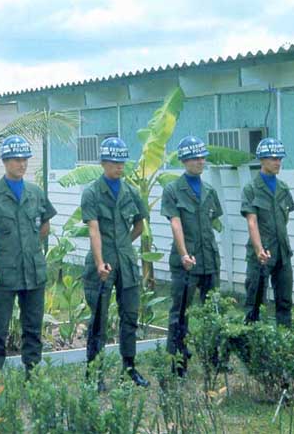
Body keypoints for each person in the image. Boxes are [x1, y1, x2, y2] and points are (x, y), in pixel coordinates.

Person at [0, 135, 56, 377]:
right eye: (17, 160)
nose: (22, 164)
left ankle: (33, 374)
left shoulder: (36, 193)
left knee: (33, 327)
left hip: (33, 271)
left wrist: (28, 247)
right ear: (5, 161)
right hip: (4, 272)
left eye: (25, 160)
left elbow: (44, 226)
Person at [82, 137, 150, 389]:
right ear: (103, 163)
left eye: (122, 163)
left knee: (130, 315)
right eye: (113, 162)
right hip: (101, 264)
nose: (119, 167)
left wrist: (123, 243)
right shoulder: (92, 192)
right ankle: (94, 373)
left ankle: (129, 368)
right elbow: (93, 230)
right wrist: (101, 262)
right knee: (98, 319)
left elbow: (139, 225)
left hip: (126, 262)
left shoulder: (131, 192)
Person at [161, 136, 222, 375]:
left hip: (209, 260)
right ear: (184, 161)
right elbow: (176, 224)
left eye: (202, 157)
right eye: (195, 158)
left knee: (213, 312)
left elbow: (212, 221)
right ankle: (178, 362)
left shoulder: (209, 191)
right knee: (180, 313)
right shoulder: (173, 190)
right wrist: (185, 254)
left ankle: (214, 357)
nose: (200, 161)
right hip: (186, 262)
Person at [241, 137, 294, 326]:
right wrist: (259, 249)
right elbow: (252, 222)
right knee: (255, 302)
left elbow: (284, 219)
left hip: (282, 253)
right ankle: (251, 344)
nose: (277, 162)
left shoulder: (283, 188)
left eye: (280, 158)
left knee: (285, 301)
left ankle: (283, 342)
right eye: (273, 158)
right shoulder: (251, 189)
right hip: (261, 253)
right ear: (262, 160)